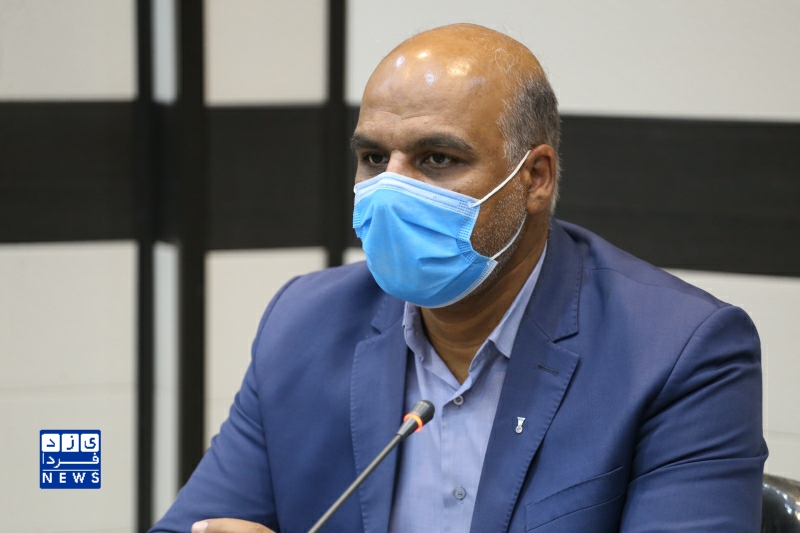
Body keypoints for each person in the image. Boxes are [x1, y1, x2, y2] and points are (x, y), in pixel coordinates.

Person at [151, 24, 767, 533]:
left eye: (437, 159)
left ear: (535, 178)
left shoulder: (681, 351)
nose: (391, 190)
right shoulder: (304, 323)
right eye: (374, 158)